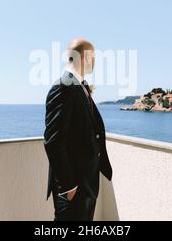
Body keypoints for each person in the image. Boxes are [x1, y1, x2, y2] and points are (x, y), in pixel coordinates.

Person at [43, 38, 113, 221]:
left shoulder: (79, 85)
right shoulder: (63, 87)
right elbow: (53, 141)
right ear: (87, 57)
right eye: (94, 56)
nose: (95, 61)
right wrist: (69, 186)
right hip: (73, 188)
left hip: (86, 183)